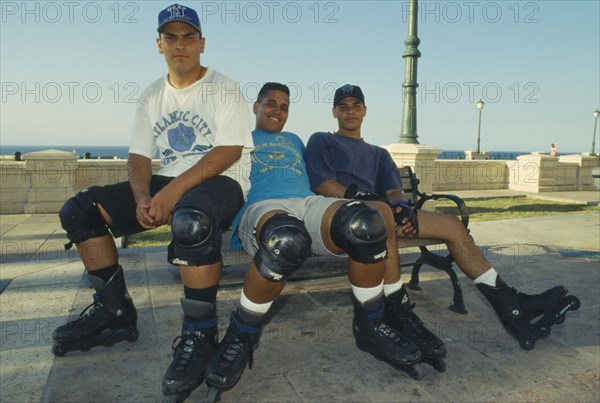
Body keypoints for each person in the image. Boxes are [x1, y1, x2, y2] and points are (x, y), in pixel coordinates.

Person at [52, 4, 254, 401]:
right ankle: (114, 311)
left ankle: (199, 334)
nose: (180, 44)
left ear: (201, 43)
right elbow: (140, 157)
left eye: (188, 37)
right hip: (167, 180)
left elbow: (229, 150)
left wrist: (171, 193)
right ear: (158, 44)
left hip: (221, 180)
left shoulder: (222, 87)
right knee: (79, 210)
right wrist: (144, 195)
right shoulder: (151, 95)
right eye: (171, 37)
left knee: (190, 222)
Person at [305, 84, 580, 352]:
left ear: (365, 110)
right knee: (382, 213)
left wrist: (403, 206)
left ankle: (511, 306)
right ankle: (396, 310)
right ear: (334, 113)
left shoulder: (379, 153)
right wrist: (373, 200)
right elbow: (323, 183)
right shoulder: (323, 140)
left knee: (451, 224)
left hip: (383, 216)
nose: (350, 112)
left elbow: (392, 189)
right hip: (344, 220)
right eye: (343, 107)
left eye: (355, 106)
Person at [203, 82, 430, 399]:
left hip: (308, 204)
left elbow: (322, 175)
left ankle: (371, 323)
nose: (277, 111)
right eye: (270, 103)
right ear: (254, 108)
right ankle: (241, 332)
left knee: (367, 224)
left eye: (284, 106)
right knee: (286, 241)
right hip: (264, 207)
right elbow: (211, 178)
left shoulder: (296, 140)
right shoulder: (238, 140)